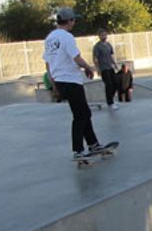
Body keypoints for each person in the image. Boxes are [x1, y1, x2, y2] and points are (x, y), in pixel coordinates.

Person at [43, 8, 107, 160]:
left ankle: (93, 143)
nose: (74, 23)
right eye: (73, 20)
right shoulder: (67, 37)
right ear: (69, 21)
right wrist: (89, 68)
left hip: (59, 79)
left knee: (83, 112)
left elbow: (47, 62)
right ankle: (78, 150)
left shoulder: (50, 38)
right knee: (81, 115)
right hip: (70, 80)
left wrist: (52, 81)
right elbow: (76, 57)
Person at [93, 29, 119, 110]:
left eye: (105, 35)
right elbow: (95, 58)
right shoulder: (97, 46)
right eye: (102, 35)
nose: (104, 36)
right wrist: (98, 69)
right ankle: (110, 102)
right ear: (99, 36)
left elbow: (111, 56)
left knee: (116, 83)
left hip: (110, 67)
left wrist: (114, 64)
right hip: (103, 68)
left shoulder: (108, 45)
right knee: (109, 85)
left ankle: (111, 98)